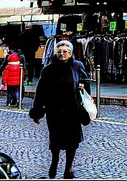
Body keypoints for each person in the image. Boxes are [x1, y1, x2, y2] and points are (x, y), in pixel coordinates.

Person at [29, 40, 91, 180]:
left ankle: (68, 168)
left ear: (70, 53)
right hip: (54, 110)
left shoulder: (77, 66)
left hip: (72, 110)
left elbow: (86, 84)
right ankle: (54, 163)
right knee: (55, 140)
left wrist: (83, 88)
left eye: (64, 51)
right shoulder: (48, 69)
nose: (61, 54)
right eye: (59, 52)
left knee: (73, 141)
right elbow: (41, 92)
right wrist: (37, 112)